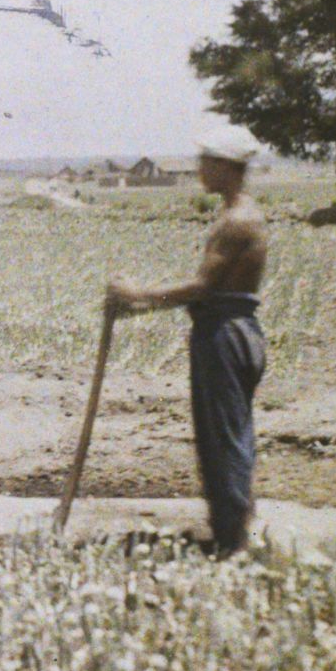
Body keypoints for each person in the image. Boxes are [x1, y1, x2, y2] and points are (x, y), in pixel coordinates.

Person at [105, 126, 270, 556]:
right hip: (229, 330)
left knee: (224, 441)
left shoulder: (237, 221)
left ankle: (232, 545)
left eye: (205, 162)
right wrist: (138, 306)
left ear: (224, 167)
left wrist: (138, 295)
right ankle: (231, 533)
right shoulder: (239, 214)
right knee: (228, 436)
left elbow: (203, 286)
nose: (199, 169)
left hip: (225, 335)